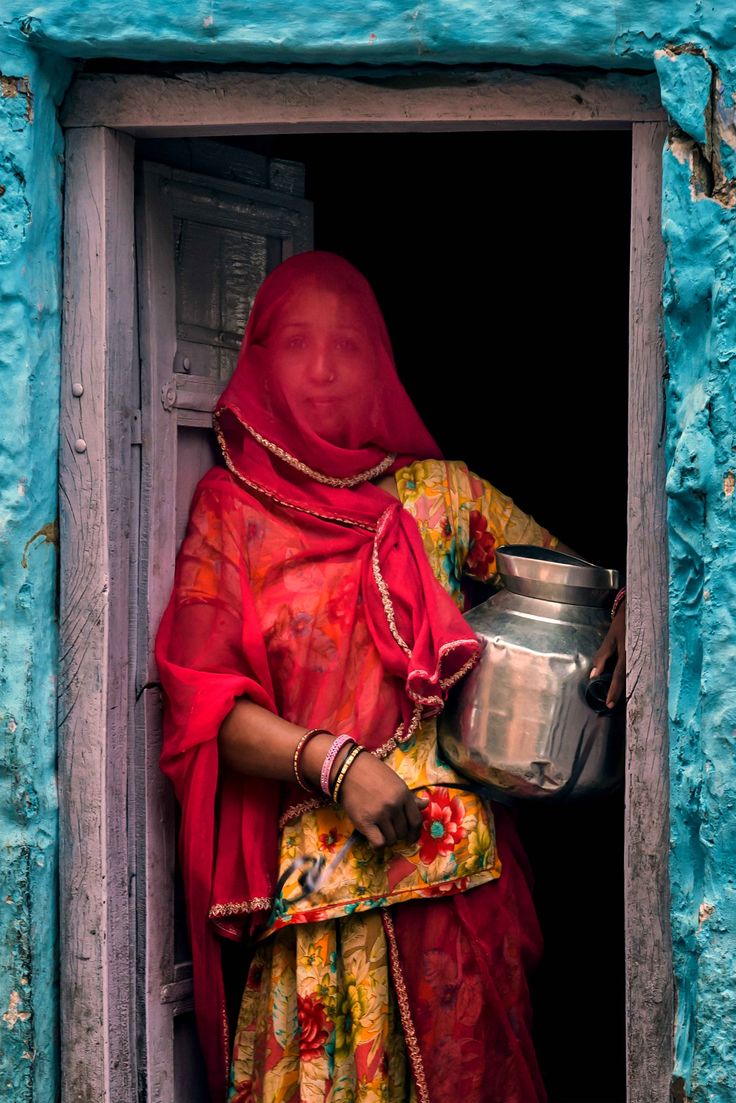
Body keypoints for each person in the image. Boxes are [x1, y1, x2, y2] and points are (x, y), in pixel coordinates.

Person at [155, 251, 625, 1103]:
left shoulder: (442, 498)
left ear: (382, 364)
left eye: (349, 346)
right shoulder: (232, 513)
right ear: (260, 356)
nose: (325, 368)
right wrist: (339, 765)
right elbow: (205, 704)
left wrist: (634, 609)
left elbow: (590, 593)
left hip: (459, 903)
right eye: (298, 342)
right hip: (317, 931)